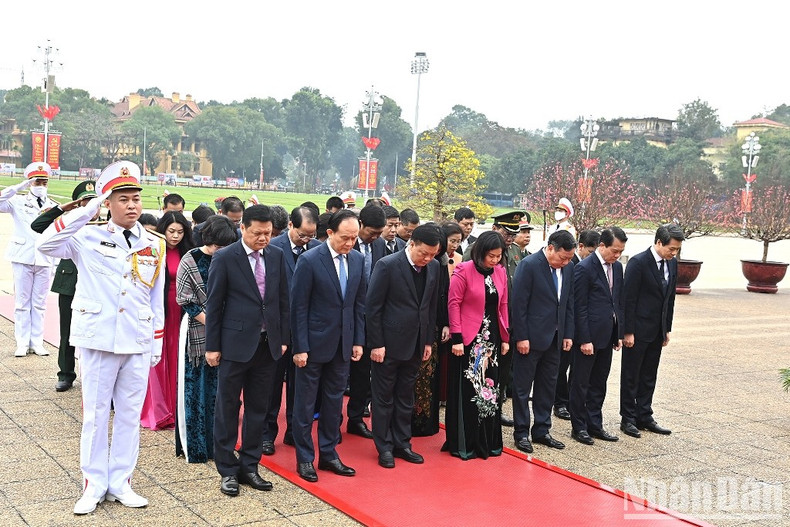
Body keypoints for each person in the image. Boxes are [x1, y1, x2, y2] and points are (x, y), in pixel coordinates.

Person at [37, 160, 165, 514]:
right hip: (98, 338)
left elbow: (155, 296)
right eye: (122, 198)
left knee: (127, 415)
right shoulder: (86, 236)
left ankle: (121, 481)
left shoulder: (152, 243)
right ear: (108, 202)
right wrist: (86, 211)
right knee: (95, 415)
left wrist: (156, 342)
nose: (132, 205)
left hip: (136, 339)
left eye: (136, 198)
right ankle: (93, 483)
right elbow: (46, 245)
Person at [205, 204, 289, 497]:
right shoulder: (226, 257)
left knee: (259, 408)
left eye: (268, 233)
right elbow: (214, 305)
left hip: (268, 345)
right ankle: (227, 469)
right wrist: (212, 346)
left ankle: (250, 465)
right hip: (233, 345)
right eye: (257, 233)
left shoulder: (278, 256)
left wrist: (283, 337)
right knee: (228, 407)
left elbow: (282, 300)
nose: (264, 238)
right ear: (242, 228)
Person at [290, 209, 366, 483]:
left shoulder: (357, 260)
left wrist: (358, 340)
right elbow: (298, 307)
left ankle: (329, 453)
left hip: (343, 344)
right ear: (330, 233)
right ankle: (305, 458)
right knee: (305, 403)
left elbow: (358, 303)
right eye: (345, 238)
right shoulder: (310, 260)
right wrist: (300, 347)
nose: (350, 243)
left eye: (354, 238)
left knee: (334, 402)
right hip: (312, 344)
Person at [367, 224, 441, 468]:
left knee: (405, 397)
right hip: (388, 345)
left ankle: (402, 443)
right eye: (424, 253)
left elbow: (430, 307)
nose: (428, 259)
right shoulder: (387, 265)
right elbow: (373, 308)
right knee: (384, 398)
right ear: (411, 244)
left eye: (433, 254)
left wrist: (428, 340)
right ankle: (384, 446)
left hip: (416, 344)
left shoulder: (434, 268)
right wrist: (376, 343)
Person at [175, 215, 239, 462]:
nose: (220, 250)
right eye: (217, 245)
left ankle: (220, 445)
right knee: (195, 387)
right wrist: (214, 325)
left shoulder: (232, 258)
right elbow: (186, 300)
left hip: (228, 330)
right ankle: (196, 447)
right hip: (197, 330)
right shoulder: (190, 259)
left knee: (221, 390)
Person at [445, 231, 510, 460]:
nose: (494, 260)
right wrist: (457, 338)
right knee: (469, 390)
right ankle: (466, 442)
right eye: (490, 256)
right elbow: (453, 304)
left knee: (490, 389)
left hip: (492, 339)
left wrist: (505, 338)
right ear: (480, 252)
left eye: (498, 256)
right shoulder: (464, 270)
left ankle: (488, 442)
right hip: (469, 339)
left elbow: (503, 304)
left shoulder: (501, 272)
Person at [262, 206, 321, 455]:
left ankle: (295, 432)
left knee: (301, 386)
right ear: (290, 226)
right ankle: (267, 434)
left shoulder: (318, 249)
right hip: (278, 327)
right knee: (271, 384)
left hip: (306, 329)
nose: (306, 240)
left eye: (311, 235)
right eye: (302, 235)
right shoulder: (272, 248)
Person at [30, 181, 99, 391]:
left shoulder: (109, 224)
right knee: (67, 331)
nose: (90, 206)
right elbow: (37, 227)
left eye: (93, 202)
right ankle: (66, 373)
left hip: (96, 286)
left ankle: (94, 375)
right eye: (85, 201)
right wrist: (63, 209)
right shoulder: (68, 222)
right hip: (70, 282)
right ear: (79, 204)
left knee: (95, 332)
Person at [511, 229, 576, 453]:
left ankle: (541, 430)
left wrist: (568, 334)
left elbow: (568, 303)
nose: (566, 262)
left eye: (569, 258)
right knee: (522, 388)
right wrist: (521, 337)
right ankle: (521, 432)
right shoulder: (529, 265)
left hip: (555, 338)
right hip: (530, 338)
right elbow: (518, 305)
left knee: (547, 387)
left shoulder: (568, 269)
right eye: (563, 257)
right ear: (550, 248)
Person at [620, 224, 682, 439]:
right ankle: (627, 418)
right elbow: (628, 299)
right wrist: (627, 331)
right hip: (637, 331)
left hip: (657, 331)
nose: (674, 253)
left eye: (677, 250)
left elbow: (670, 299)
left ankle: (644, 415)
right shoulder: (639, 263)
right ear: (658, 242)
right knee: (631, 375)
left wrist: (666, 329)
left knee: (649, 376)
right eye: (671, 249)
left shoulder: (672, 264)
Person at [569, 227, 627, 445]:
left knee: (599, 383)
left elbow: (618, 302)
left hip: (607, 335)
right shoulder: (585, 268)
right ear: (601, 245)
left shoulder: (618, 268)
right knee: (581, 383)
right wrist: (584, 339)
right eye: (614, 250)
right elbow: (579, 306)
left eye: (621, 251)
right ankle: (579, 427)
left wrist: (618, 332)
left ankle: (595, 424)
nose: (617, 255)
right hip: (588, 338)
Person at [140, 212, 194, 430]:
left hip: (182, 310)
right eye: (171, 231)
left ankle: (176, 405)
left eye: (180, 232)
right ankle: (157, 409)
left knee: (178, 356)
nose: (176, 236)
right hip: (160, 308)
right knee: (159, 357)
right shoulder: (155, 250)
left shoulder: (188, 252)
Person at [0, 162, 58, 357]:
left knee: (40, 303)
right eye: (37, 181)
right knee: (22, 302)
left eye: (44, 181)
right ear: (30, 183)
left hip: (44, 258)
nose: (41, 184)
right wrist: (19, 186)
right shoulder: (16, 201)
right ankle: (22, 342)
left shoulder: (53, 206)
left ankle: (37, 341)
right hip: (22, 255)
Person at [346, 204, 387, 439]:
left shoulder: (379, 244)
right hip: (347, 312)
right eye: (372, 232)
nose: (376, 237)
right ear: (360, 224)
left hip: (371, 316)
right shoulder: (348, 243)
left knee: (363, 371)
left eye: (379, 233)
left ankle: (356, 417)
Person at [555, 228, 600, 421]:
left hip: (582, 325)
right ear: (581, 246)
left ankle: (573, 402)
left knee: (577, 368)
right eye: (590, 251)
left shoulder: (593, 266)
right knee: (561, 366)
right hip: (566, 324)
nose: (593, 256)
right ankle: (559, 402)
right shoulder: (569, 262)